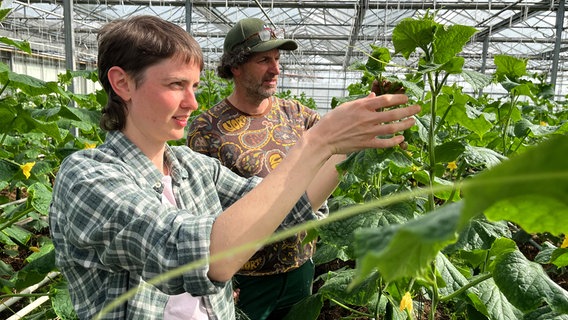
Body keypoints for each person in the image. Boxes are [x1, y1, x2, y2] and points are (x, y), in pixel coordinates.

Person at [48, 15, 420, 320]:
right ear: (122, 83)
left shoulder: (191, 168)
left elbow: (289, 211)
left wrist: (344, 149)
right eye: (177, 84)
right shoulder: (86, 177)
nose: (192, 102)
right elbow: (201, 254)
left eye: (194, 86)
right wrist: (317, 142)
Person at [186, 17, 340, 320]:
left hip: (300, 267)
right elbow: (197, 213)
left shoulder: (297, 115)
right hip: (245, 280)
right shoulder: (207, 129)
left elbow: (334, 152)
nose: (275, 68)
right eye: (263, 60)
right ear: (236, 66)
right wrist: (214, 280)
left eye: (277, 59)